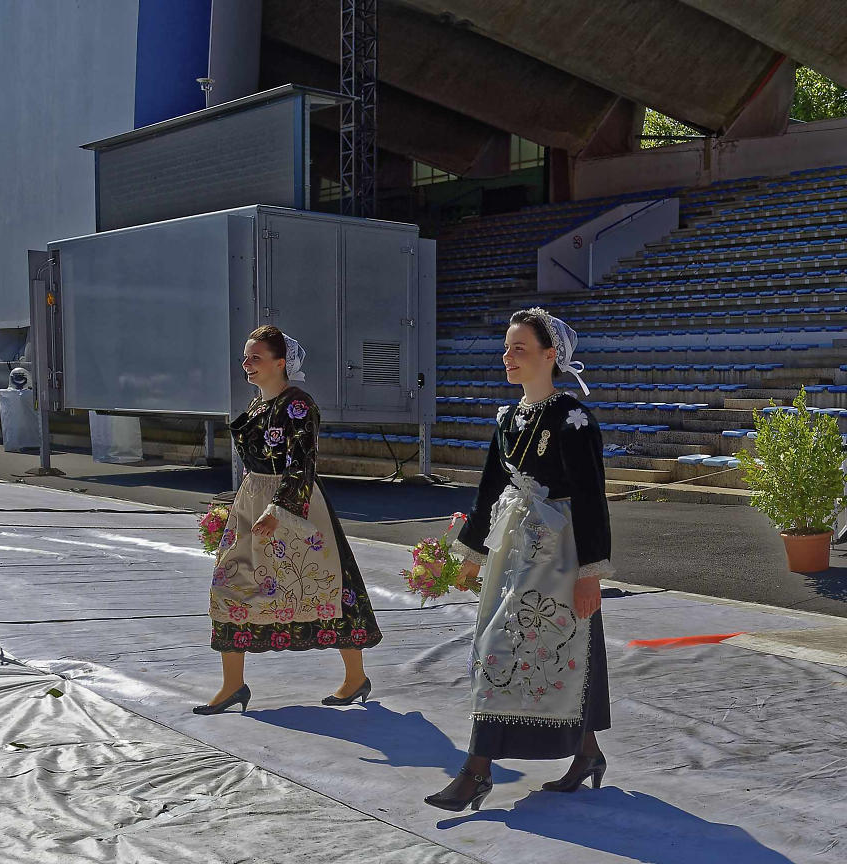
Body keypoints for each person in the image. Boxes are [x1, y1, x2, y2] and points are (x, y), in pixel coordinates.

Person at [426, 307, 613, 812]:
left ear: (550, 356)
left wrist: (591, 573)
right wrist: (470, 554)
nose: (507, 357)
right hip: (515, 548)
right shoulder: (508, 417)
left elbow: (593, 498)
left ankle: (476, 770)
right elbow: (490, 489)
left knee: (529, 648)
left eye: (519, 349)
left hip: (560, 554)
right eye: (507, 349)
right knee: (506, 646)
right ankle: (588, 751)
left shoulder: (572, 418)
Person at [199, 326, 381, 714]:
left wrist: (279, 508)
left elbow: (303, 462)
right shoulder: (258, 405)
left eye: (256, 358)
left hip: (294, 506)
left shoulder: (298, 404)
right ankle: (233, 684)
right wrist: (236, 507)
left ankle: (355, 677)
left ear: (281, 363)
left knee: (326, 586)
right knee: (230, 584)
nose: (247, 364)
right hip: (254, 501)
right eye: (246, 357)